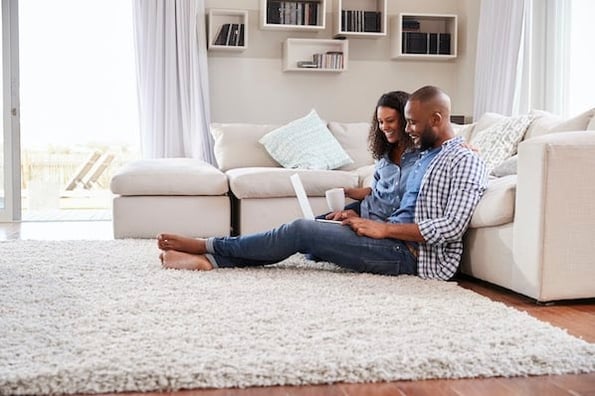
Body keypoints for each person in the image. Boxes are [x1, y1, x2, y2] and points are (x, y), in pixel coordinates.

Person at [157, 86, 488, 280]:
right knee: (303, 232)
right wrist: (367, 218)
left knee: (303, 231)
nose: (408, 130)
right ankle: (213, 258)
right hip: (390, 237)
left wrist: (384, 229)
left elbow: (451, 227)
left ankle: (208, 248)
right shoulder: (426, 152)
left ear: (436, 120)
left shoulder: (463, 159)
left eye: (412, 123)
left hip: (412, 255)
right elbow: (396, 198)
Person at [320, 90, 419, 223]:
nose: (384, 127)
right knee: (312, 223)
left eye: (390, 121)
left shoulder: (421, 158)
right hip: (366, 210)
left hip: (379, 224)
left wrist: (362, 220)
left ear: (406, 120)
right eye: (380, 122)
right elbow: (377, 191)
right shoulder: (384, 155)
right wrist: (350, 192)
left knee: (300, 230)